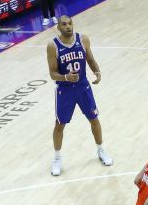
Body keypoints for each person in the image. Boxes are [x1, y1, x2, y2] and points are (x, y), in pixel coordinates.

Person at [46, 15, 113, 177]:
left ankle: (101, 150)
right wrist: (66, 77)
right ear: (59, 27)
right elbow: (52, 74)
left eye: (70, 23)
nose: (68, 26)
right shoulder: (52, 46)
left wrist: (96, 71)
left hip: (83, 87)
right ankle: (57, 158)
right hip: (65, 90)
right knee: (60, 124)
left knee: (94, 119)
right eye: (64, 24)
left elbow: (90, 58)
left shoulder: (83, 39)